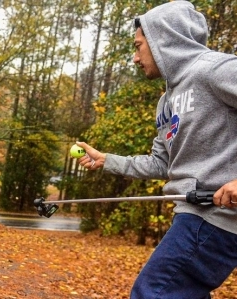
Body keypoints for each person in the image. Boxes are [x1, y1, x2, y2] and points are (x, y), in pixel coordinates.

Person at [76, 1, 237, 298]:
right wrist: (106, 160)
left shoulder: (215, 70)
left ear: (164, 40)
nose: (135, 58)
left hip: (215, 217)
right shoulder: (165, 104)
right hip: (190, 213)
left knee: (153, 292)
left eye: (139, 46)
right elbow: (161, 164)